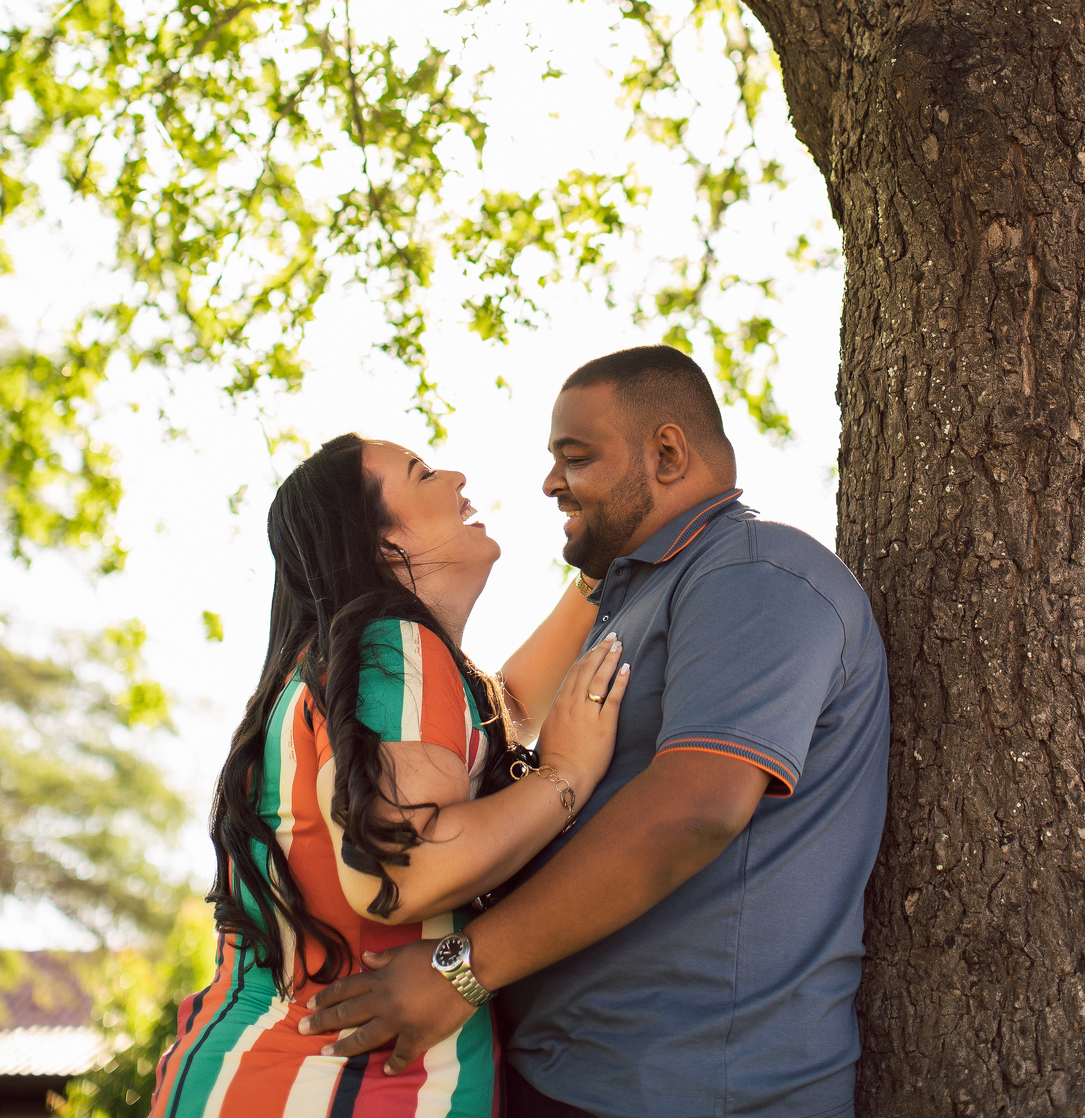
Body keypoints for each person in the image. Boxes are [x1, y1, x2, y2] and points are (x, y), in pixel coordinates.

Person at [301, 346, 890, 1118]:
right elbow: (505, 702)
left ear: (668, 452)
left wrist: (462, 968)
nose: (550, 483)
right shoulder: (641, 597)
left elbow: (694, 809)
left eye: (574, 458)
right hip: (569, 1075)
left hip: (690, 1088)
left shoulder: (758, 572)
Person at [150, 431, 628, 1118]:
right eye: (423, 472)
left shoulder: (348, 663)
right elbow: (400, 868)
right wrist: (567, 774)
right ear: (376, 541)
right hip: (325, 1091)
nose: (457, 476)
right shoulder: (391, 643)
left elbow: (504, 714)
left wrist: (596, 575)